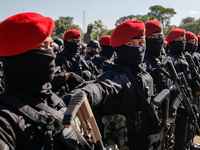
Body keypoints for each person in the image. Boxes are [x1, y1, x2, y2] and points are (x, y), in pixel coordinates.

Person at [64, 20, 160, 150]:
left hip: (147, 140)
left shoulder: (142, 71)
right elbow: (100, 88)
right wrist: (80, 95)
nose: (138, 48)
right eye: (131, 44)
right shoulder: (116, 75)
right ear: (120, 48)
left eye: (141, 43)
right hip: (126, 143)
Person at [0, 12, 79, 150]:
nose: (50, 53)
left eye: (50, 45)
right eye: (42, 46)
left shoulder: (52, 99)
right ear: (18, 56)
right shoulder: (5, 119)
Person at [166, 28, 200, 150]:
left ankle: (189, 143)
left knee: (188, 129)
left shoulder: (185, 57)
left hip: (189, 99)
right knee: (179, 137)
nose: (183, 42)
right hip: (178, 107)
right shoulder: (170, 60)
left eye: (183, 39)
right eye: (179, 39)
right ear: (171, 42)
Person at [144, 20, 171, 95]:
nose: (157, 40)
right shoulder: (143, 61)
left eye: (160, 36)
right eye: (152, 37)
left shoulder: (164, 58)